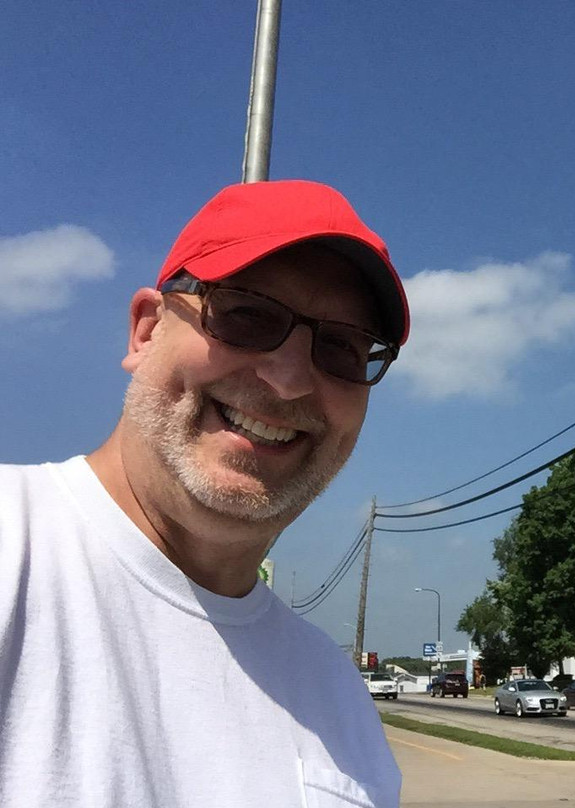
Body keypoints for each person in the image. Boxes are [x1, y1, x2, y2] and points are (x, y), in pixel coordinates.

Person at [0, 180, 410, 807]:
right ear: (145, 330)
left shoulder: (336, 694)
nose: (290, 378)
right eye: (247, 315)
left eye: (343, 349)